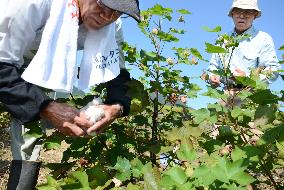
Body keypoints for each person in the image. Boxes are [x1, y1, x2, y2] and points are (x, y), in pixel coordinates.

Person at [0, 0, 140, 189]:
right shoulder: (32, 3)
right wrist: (45, 106)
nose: (107, 16)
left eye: (117, 11)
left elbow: (118, 72)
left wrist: (116, 105)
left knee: (29, 136)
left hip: (34, 64)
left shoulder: (112, 25)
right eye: (103, 4)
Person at [208, 0, 281, 95]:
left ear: (254, 15)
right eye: (238, 11)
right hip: (225, 95)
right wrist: (212, 76)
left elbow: (273, 70)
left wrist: (247, 78)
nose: (242, 16)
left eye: (247, 12)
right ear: (232, 14)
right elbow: (213, 65)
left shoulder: (263, 38)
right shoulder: (223, 39)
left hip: (251, 94)